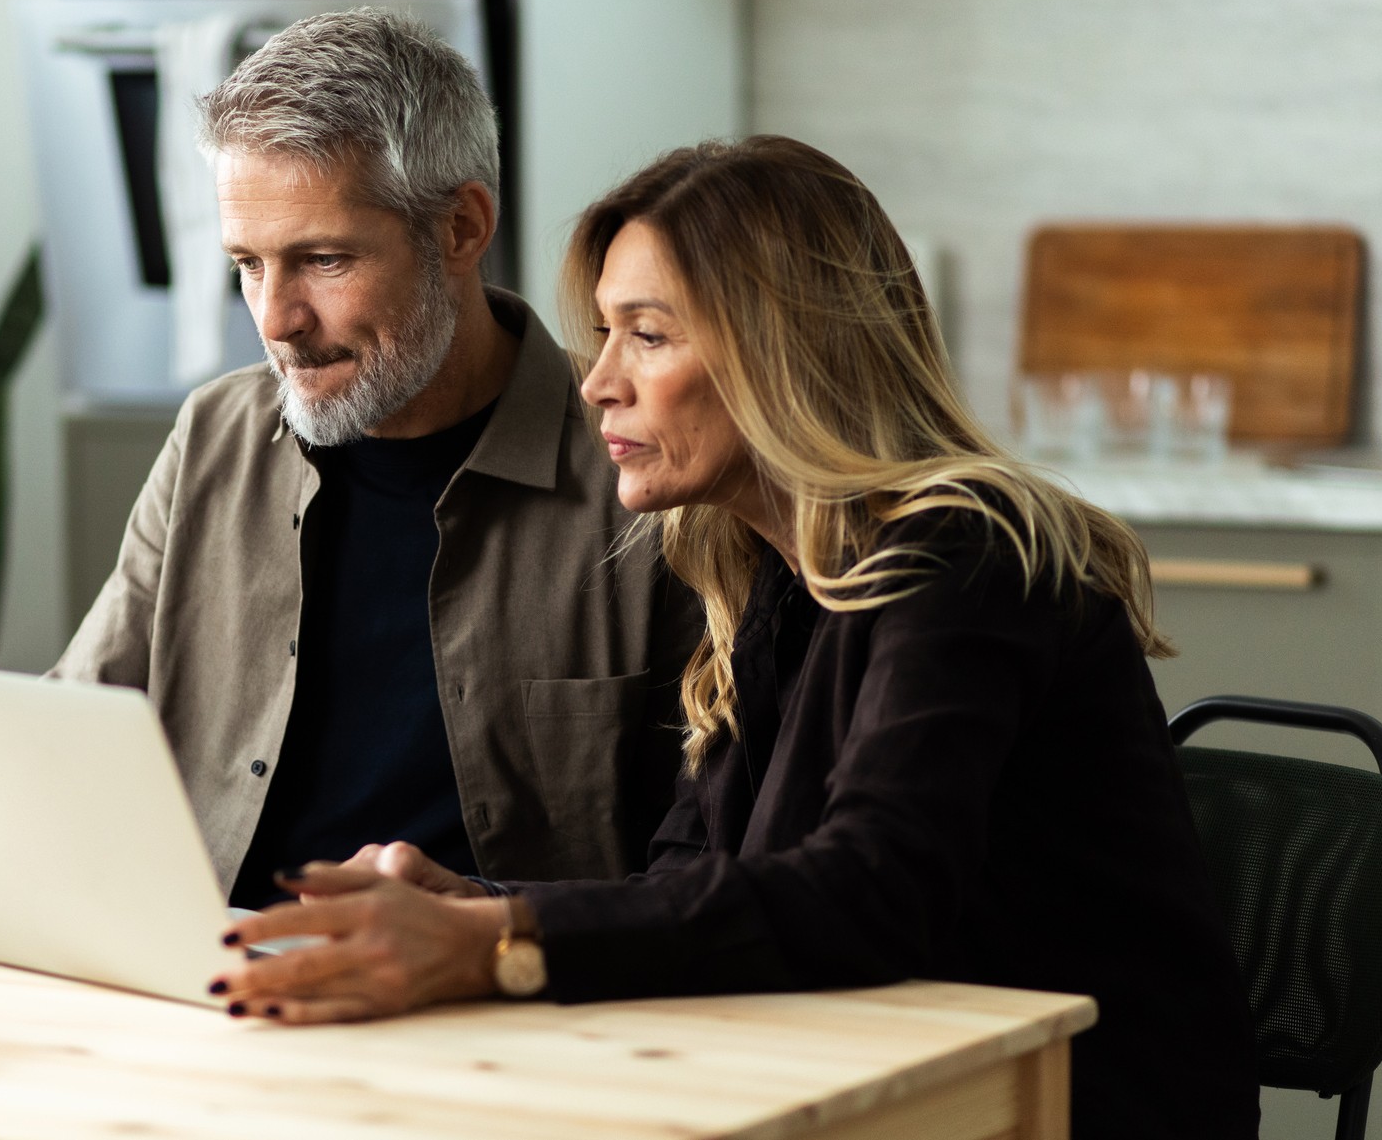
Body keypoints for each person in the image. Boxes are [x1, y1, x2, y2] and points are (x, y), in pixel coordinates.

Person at [206, 136, 1261, 1140]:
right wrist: (473, 900)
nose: (597, 380)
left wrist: (495, 944)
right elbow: (685, 878)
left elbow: (869, 892)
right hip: (865, 1077)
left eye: (649, 334)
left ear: (785, 354)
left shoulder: (967, 553)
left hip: (1058, 1105)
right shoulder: (768, 569)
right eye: (606, 331)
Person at [0, 9, 699, 906]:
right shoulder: (216, 433)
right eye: (247, 263)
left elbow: (708, 863)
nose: (276, 319)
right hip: (205, 996)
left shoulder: (648, 474)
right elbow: (74, 734)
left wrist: (490, 928)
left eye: (322, 260)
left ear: (460, 227)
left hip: (500, 1017)